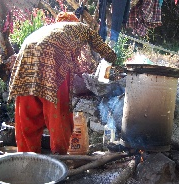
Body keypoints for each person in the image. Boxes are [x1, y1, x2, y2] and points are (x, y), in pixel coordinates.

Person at [8, 11, 117, 154]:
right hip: (53, 59)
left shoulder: (49, 29)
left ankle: (27, 159)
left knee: (28, 112)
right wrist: (112, 58)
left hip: (25, 58)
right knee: (58, 114)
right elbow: (102, 48)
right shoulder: (80, 27)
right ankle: (60, 158)